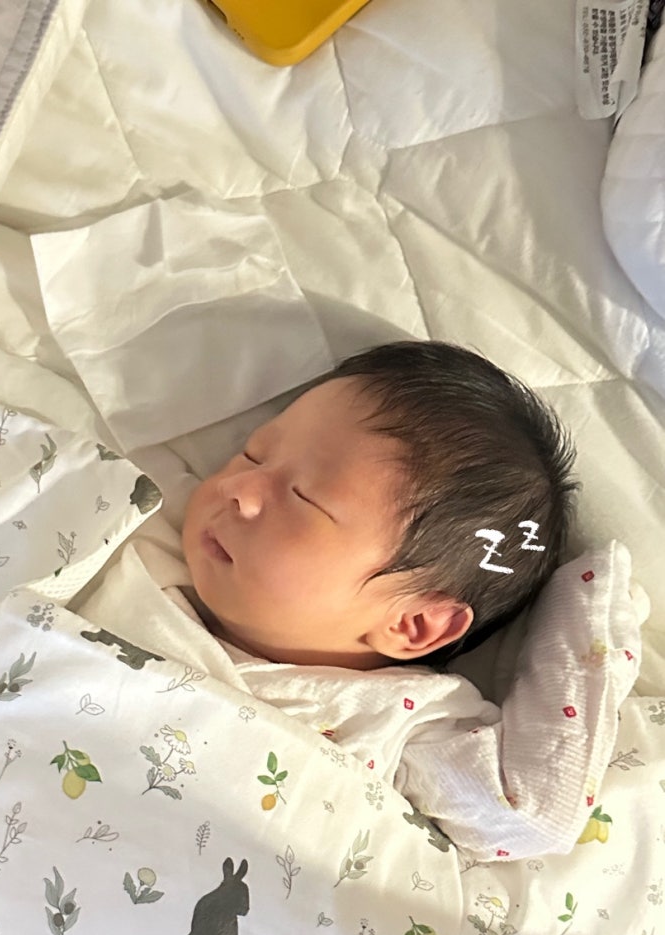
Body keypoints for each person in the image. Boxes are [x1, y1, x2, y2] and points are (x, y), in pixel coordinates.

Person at [72, 341, 647, 862]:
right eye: (253, 454)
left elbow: (530, 818)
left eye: (304, 498)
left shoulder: (399, 717)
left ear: (415, 623)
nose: (238, 490)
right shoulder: (142, 529)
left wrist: (591, 611)